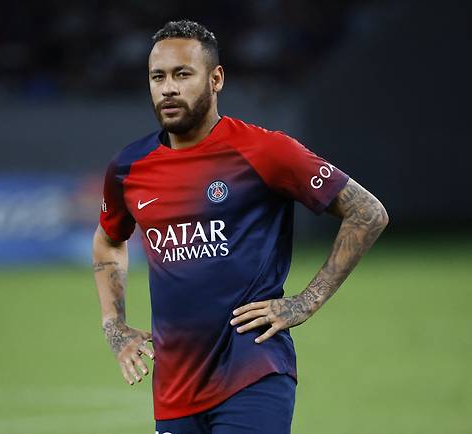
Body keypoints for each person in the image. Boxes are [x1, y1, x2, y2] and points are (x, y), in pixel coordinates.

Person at [92, 19, 388, 434]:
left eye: (182, 74)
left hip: (254, 372)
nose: (168, 88)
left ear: (216, 79)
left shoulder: (265, 151)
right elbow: (108, 242)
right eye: (158, 76)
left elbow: (368, 212)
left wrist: (306, 301)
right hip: (174, 386)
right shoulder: (128, 168)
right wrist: (114, 326)